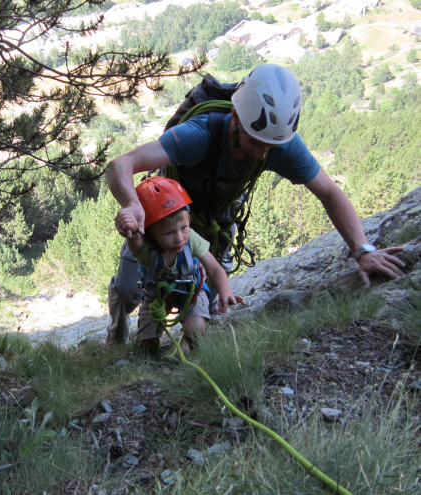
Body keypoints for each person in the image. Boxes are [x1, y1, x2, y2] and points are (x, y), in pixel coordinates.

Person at [105, 64, 406, 346]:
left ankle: (181, 361)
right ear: (236, 118)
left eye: (270, 147)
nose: (263, 155)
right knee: (128, 288)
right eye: (257, 144)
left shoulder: (278, 143)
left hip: (213, 222)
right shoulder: (199, 134)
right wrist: (132, 204)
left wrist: (363, 250)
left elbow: (328, 192)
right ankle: (116, 335)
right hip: (163, 215)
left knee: (203, 308)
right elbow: (122, 164)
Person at [117, 176, 245, 350]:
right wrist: (129, 227)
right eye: (169, 233)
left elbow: (214, 268)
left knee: (196, 332)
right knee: (148, 345)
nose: (179, 238)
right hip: (156, 294)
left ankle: (195, 345)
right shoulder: (146, 250)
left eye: (184, 227)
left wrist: (225, 292)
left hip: (191, 290)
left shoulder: (190, 239)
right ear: (150, 233)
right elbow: (134, 240)